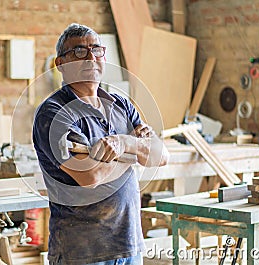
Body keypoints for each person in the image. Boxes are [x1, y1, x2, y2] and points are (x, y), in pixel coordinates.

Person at [32, 23, 169, 265]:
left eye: (96, 50)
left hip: (129, 246)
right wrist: (135, 151)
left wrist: (123, 142)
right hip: (82, 252)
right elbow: (90, 176)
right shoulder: (54, 114)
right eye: (78, 52)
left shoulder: (120, 105)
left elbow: (160, 156)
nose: (90, 58)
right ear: (60, 64)